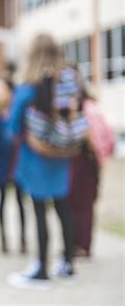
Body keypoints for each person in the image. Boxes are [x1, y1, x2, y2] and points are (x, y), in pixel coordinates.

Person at [8, 34, 78, 288]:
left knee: (39, 211)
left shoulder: (27, 86)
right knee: (63, 208)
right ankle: (68, 264)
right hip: (62, 156)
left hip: (35, 158)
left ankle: (41, 270)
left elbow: (13, 127)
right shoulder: (66, 82)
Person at [68, 90, 115, 257]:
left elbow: (94, 139)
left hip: (86, 161)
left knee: (82, 205)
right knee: (81, 204)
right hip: (89, 161)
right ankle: (78, 243)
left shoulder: (86, 111)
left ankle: (82, 245)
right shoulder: (93, 107)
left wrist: (100, 160)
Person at [0, 77, 26, 255]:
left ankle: (23, 239)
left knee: (20, 201)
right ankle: (4, 239)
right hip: (2, 163)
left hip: (18, 163)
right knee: (2, 200)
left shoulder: (18, 113)